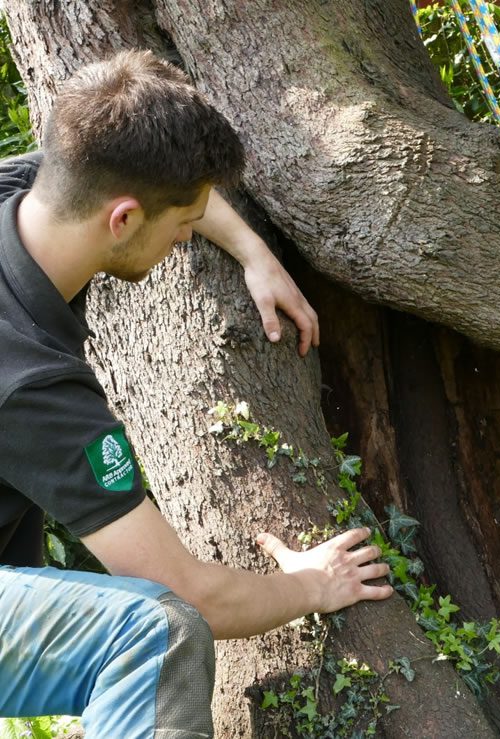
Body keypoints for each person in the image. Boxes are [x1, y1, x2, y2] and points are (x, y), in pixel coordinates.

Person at [0, 49, 393, 738]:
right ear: (122, 220)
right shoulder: (27, 383)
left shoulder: (35, 189)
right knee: (156, 631)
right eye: (181, 225)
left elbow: (140, 178)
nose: (187, 236)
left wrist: (254, 253)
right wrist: (314, 583)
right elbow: (189, 590)